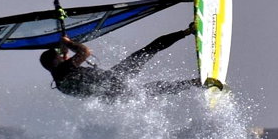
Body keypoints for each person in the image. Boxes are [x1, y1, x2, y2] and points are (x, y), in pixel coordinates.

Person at [40, 23, 202, 99]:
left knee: (152, 88)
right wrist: (67, 43)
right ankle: (188, 31)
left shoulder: (60, 81)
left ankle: (196, 83)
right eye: (63, 55)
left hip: (113, 93)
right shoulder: (64, 69)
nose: (66, 56)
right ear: (57, 60)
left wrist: (64, 50)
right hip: (114, 82)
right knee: (147, 52)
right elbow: (85, 51)